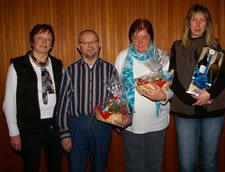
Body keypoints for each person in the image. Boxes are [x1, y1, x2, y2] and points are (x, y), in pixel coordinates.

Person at [56, 29, 131, 172]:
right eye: (85, 42)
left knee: (99, 166)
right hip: (76, 125)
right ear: (79, 46)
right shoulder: (70, 70)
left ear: (99, 45)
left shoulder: (109, 69)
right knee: (76, 167)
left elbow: (117, 98)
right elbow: (62, 104)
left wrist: (121, 116)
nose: (90, 45)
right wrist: (64, 133)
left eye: (93, 42)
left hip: (102, 125)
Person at [169, 4, 225, 172]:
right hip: (185, 110)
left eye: (202, 20)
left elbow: (224, 77)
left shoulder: (215, 45)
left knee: (209, 163)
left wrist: (208, 94)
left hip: (213, 110)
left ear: (207, 24)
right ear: (188, 23)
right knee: (186, 165)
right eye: (194, 19)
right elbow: (172, 78)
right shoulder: (177, 46)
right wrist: (192, 99)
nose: (197, 24)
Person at [115, 18, 173, 172]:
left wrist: (162, 96)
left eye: (145, 37)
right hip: (131, 123)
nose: (140, 42)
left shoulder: (162, 57)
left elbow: (172, 88)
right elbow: (117, 91)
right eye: (136, 37)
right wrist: (119, 114)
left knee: (154, 165)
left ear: (151, 38)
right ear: (131, 38)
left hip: (157, 122)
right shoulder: (122, 57)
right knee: (134, 165)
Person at [3, 24, 63, 172]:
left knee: (56, 167)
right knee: (31, 167)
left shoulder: (57, 64)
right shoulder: (18, 66)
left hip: (54, 127)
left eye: (48, 39)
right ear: (32, 42)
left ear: (51, 44)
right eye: (40, 38)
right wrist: (13, 132)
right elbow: (8, 103)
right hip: (30, 128)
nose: (44, 42)